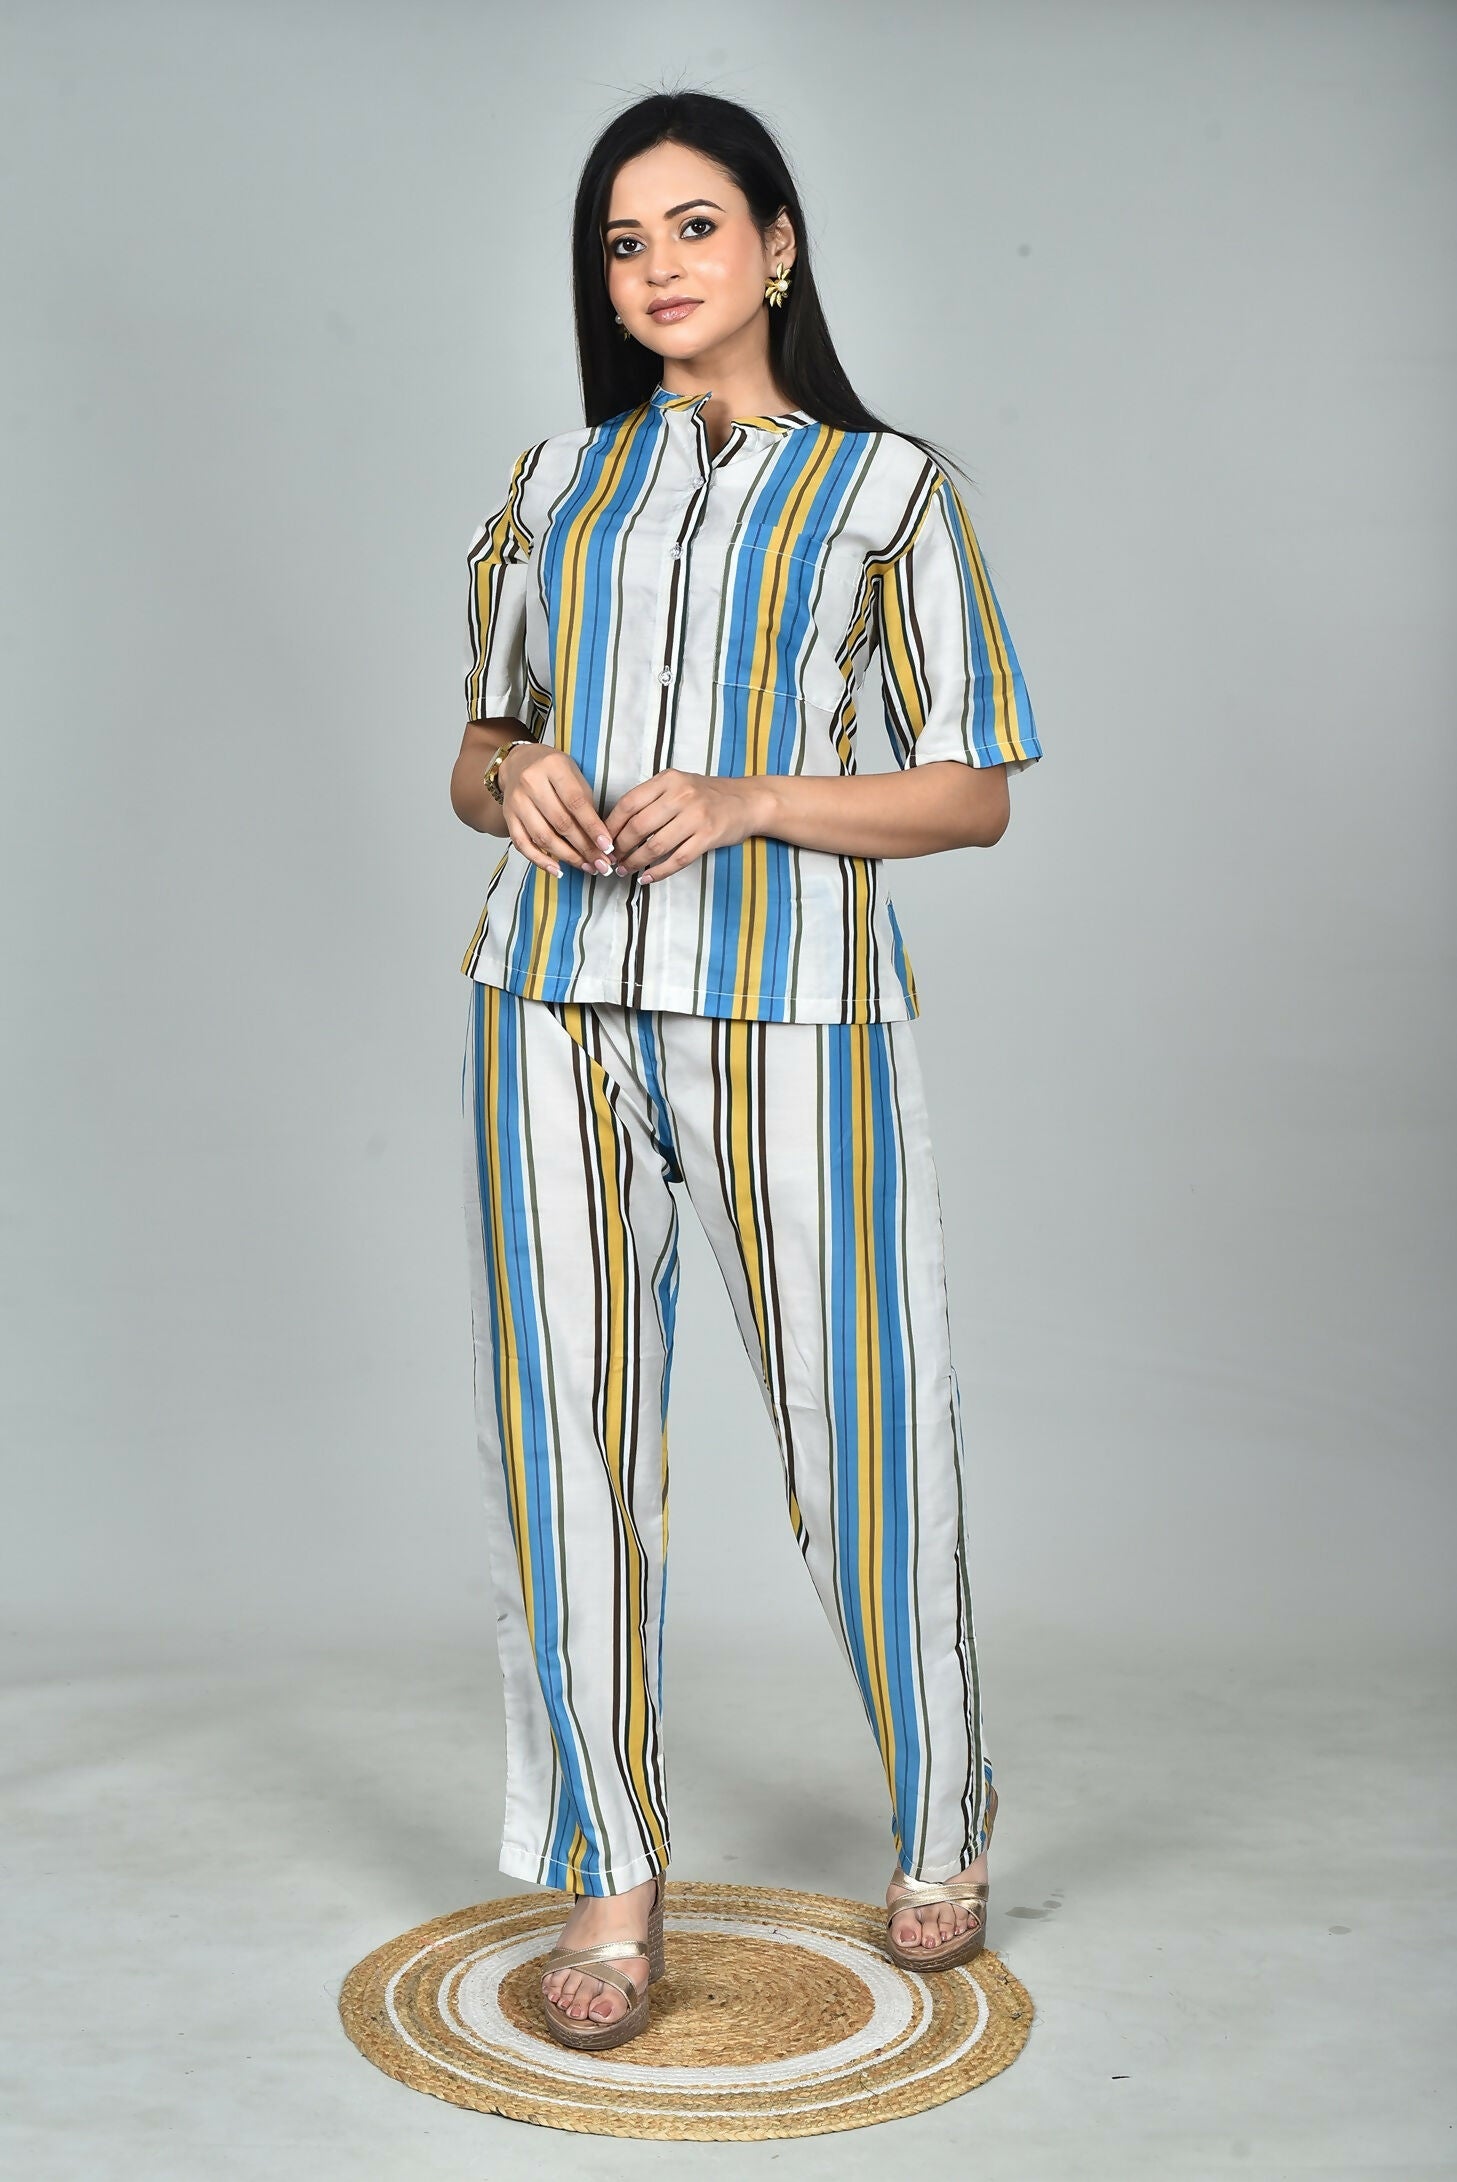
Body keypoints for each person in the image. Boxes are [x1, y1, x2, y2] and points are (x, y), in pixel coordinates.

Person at [450, 89, 1043, 2053]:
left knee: (858, 1432)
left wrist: (752, 797)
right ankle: (609, 1872)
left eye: (694, 226)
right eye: (623, 243)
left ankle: (943, 1809)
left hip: (793, 1003)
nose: (656, 269)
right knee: (566, 1439)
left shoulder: (888, 493)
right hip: (546, 995)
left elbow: (971, 791)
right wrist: (517, 780)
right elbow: (476, 745)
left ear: (778, 246)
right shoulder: (555, 482)